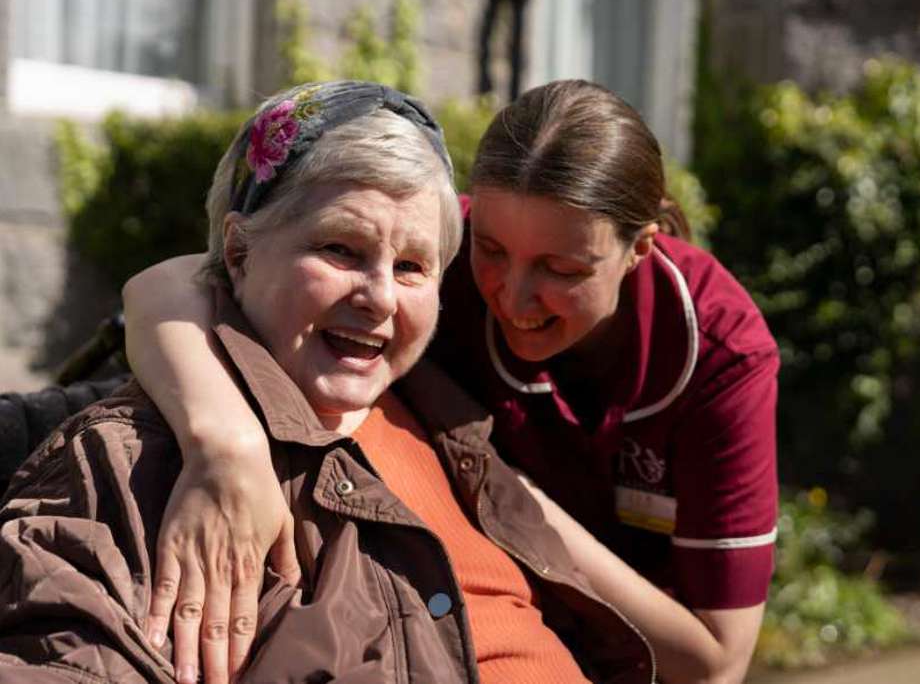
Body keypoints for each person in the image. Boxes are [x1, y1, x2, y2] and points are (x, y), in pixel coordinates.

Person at [123, 80, 779, 684]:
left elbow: (717, 660)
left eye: (563, 269)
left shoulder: (720, 355)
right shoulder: (425, 255)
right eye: (490, 250)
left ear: (640, 248)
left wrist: (503, 495)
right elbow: (174, 282)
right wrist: (226, 444)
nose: (514, 298)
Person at [0, 81, 654, 684]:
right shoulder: (138, 463)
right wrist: (225, 444)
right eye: (341, 249)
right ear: (237, 252)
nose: (380, 298)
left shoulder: (446, 417)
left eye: (411, 266)